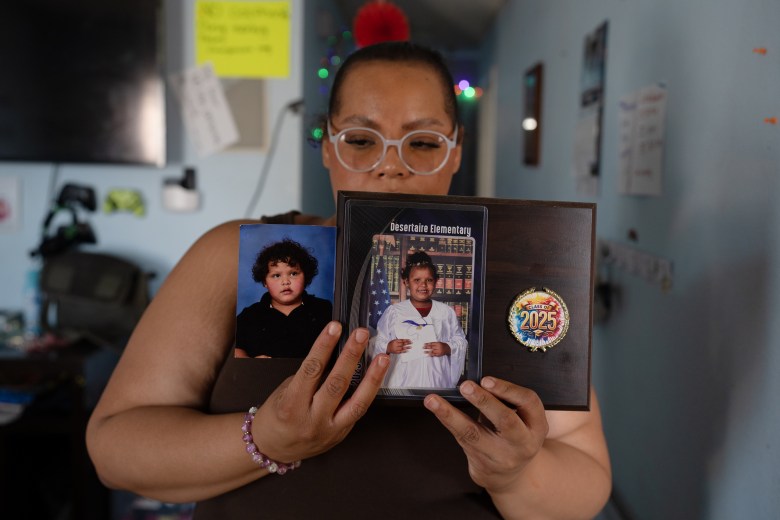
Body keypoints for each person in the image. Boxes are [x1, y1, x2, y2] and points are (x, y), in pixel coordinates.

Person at [86, 41, 611, 519]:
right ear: (327, 147)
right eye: (361, 139)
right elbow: (115, 451)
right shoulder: (241, 255)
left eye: (423, 143)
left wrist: (516, 474)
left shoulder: (515, 275)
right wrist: (264, 440)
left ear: (455, 151)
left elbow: (587, 478)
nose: (391, 167)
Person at [372, 250, 467, 388]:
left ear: (436, 282)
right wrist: (388, 346)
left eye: (429, 280)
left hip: (437, 381)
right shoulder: (394, 312)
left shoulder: (446, 312)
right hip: (402, 381)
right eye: (417, 280)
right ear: (406, 282)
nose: (423, 285)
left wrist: (447, 347)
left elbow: (460, 341)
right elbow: (377, 341)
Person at [234, 238, 332, 358]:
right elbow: (236, 349)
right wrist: (251, 362)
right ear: (265, 282)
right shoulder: (249, 316)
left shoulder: (324, 309)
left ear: (305, 276)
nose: (285, 282)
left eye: (293, 274)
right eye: (276, 276)